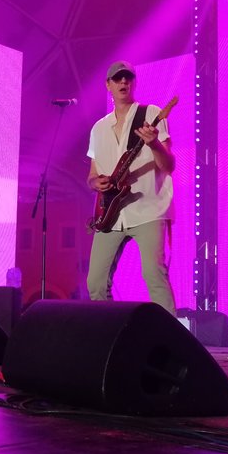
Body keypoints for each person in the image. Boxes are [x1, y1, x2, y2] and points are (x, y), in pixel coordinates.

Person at [85, 60, 176, 314]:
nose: (123, 81)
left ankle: (168, 334)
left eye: (128, 77)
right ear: (108, 85)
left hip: (148, 209)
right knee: (95, 282)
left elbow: (169, 165)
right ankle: (108, 332)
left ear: (134, 83)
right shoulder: (98, 128)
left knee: (153, 274)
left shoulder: (150, 114)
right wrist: (96, 183)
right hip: (110, 214)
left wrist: (154, 144)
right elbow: (91, 175)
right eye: (117, 78)